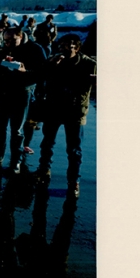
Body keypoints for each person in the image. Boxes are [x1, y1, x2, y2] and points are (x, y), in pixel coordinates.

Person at [36, 34, 97, 198]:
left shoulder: (89, 64)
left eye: (68, 47)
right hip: (54, 107)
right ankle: (44, 171)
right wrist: (50, 66)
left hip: (75, 110)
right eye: (61, 46)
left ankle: (73, 181)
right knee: (47, 143)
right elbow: (41, 77)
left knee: (74, 149)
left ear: (76, 48)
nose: (63, 50)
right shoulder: (54, 60)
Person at [0, 27, 47, 175]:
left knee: (17, 129)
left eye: (12, 40)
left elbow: (42, 73)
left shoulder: (35, 49)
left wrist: (25, 72)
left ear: (21, 36)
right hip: (3, 92)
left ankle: (16, 161)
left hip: (21, 93)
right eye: (6, 41)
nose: (8, 44)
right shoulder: (3, 49)